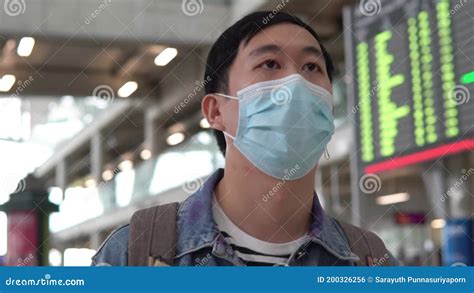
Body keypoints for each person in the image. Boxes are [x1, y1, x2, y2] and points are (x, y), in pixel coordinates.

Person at [91, 11, 398, 266]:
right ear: (215, 111)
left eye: (311, 67)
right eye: (270, 64)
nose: (295, 83)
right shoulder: (135, 252)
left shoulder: (368, 260)